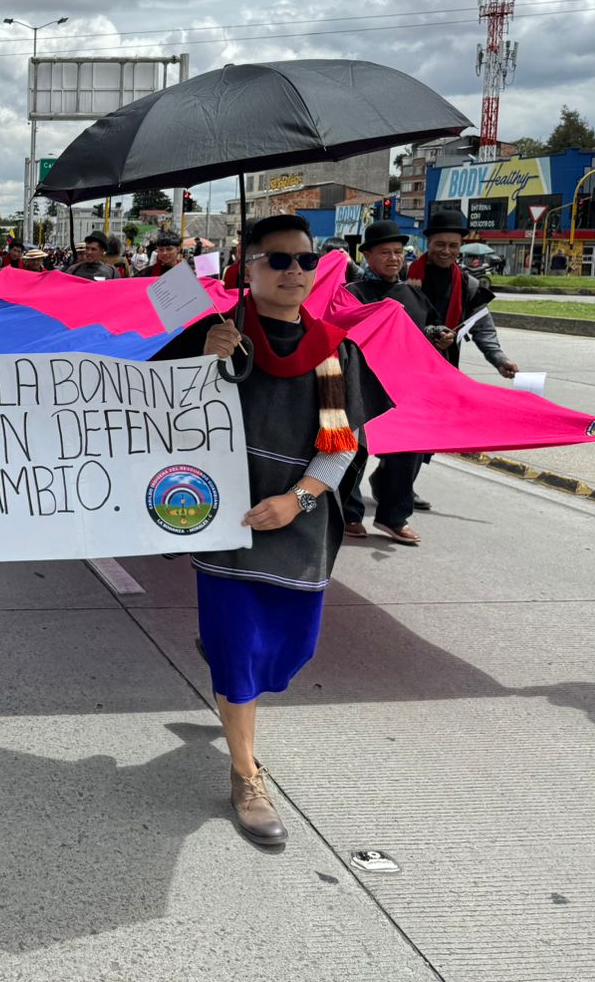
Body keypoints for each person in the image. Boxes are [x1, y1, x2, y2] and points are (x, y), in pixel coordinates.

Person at [162, 214, 390, 846]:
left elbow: (341, 445)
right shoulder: (212, 338)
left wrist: (298, 499)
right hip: (227, 523)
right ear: (248, 265)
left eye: (305, 260)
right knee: (240, 654)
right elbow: (155, 419)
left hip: (298, 526)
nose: (295, 271)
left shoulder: (334, 350)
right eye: (279, 259)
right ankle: (245, 774)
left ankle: (230, 661)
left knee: (288, 651)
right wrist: (198, 363)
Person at [341, 220, 445, 545]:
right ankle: (349, 514)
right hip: (361, 387)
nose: (393, 258)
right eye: (384, 252)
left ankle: (393, 517)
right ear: (367, 255)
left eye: (398, 252)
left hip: (403, 391)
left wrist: (438, 336)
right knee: (353, 456)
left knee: (408, 453)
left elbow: (428, 329)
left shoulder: (412, 295)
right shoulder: (351, 295)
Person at [407, 209, 519, 379]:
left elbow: (483, 328)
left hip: (446, 367)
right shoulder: (404, 276)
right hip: (405, 366)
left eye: (453, 245)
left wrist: (500, 359)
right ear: (428, 242)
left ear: (460, 246)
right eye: (439, 244)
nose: (446, 251)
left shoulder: (469, 285)